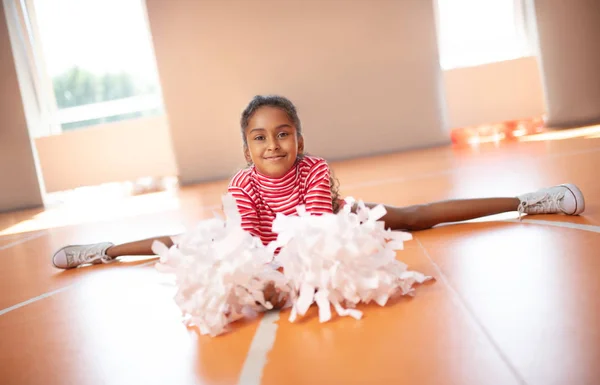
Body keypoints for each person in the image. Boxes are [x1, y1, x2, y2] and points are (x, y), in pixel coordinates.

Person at [52, 95, 585, 271]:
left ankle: (531, 200)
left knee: (414, 215)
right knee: (187, 243)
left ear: (300, 141)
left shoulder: (315, 168)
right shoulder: (243, 184)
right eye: (260, 139)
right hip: (258, 235)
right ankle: (103, 251)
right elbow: (259, 238)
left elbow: (312, 226)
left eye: (283, 134)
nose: (273, 145)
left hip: (331, 219)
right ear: (247, 152)